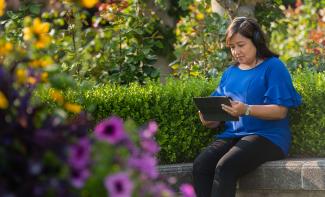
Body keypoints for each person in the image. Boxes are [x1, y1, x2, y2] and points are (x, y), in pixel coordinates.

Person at [192, 17, 302, 197]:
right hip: (234, 135)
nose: (236, 51)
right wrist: (208, 118)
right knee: (201, 165)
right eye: (232, 47)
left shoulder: (273, 67)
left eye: (240, 45)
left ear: (256, 41)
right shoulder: (230, 73)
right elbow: (215, 116)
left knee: (225, 167)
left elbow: (280, 111)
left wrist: (247, 109)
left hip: (268, 137)